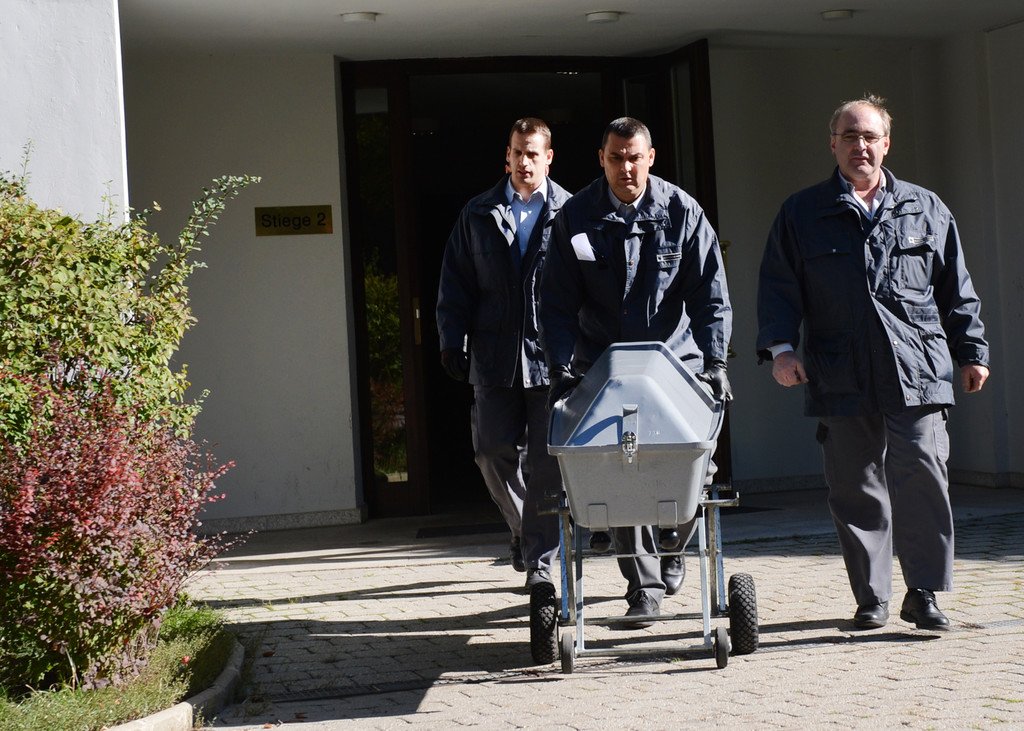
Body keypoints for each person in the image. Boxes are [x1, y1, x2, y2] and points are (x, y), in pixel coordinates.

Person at [756, 94, 990, 631]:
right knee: (854, 484)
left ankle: (923, 593)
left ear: (886, 143)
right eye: (849, 136)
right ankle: (872, 597)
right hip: (840, 367)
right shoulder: (802, 212)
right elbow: (777, 288)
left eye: (869, 136)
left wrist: (972, 351)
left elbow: (956, 288)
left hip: (918, 367)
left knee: (923, 475)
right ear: (832, 144)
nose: (859, 145)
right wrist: (781, 349)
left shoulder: (925, 207)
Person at [539, 116, 733, 627]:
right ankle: (643, 587)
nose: (625, 168)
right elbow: (556, 301)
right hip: (605, 364)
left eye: (634, 158)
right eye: (616, 158)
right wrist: (560, 368)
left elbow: (711, 295)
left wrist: (715, 362)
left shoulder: (682, 212)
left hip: (674, 360)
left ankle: (674, 545)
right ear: (601, 159)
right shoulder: (576, 216)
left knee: (694, 464)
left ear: (650, 158)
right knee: (622, 464)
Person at [436, 117, 570, 591]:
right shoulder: (477, 213)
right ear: (507, 156)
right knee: (490, 452)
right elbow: (455, 283)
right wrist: (451, 339)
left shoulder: (571, 212)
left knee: (547, 463)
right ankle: (523, 529)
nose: (524, 161)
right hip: (493, 357)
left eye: (533, 153)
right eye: (517, 152)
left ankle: (540, 560)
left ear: (548, 157)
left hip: (551, 359)